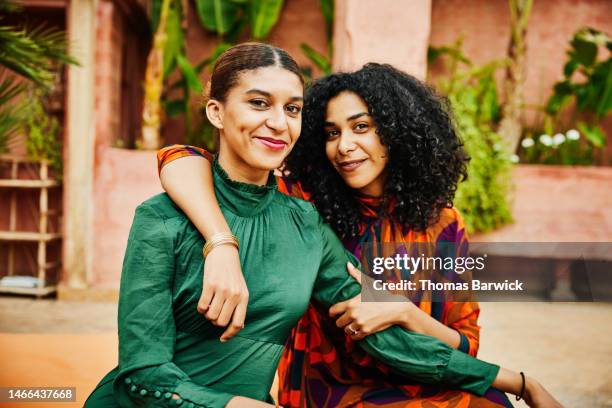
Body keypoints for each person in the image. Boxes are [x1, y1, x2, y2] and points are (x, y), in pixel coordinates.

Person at [155, 60, 563, 407]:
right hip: (334, 390)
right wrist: (220, 243)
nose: (344, 146)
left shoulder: (442, 222)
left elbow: (464, 342)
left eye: (361, 127)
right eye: (332, 133)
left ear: (398, 131)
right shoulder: (303, 203)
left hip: (423, 373)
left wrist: (401, 310)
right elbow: (180, 159)